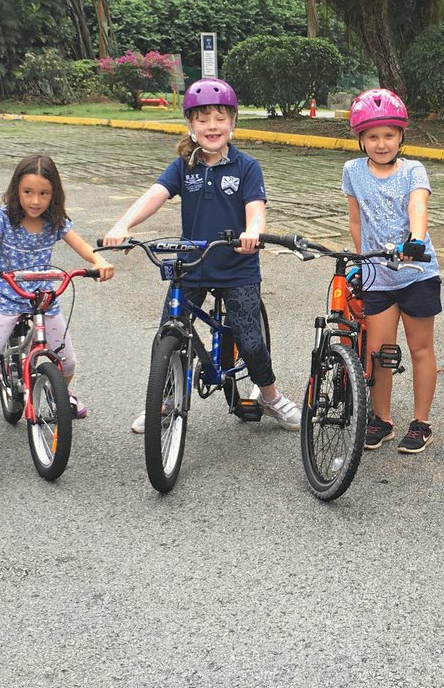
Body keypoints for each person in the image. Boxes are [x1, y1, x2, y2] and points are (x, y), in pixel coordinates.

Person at [102, 78, 302, 430]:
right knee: (167, 334)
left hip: (237, 266)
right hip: (191, 265)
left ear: (233, 122)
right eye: (203, 118)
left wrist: (252, 232)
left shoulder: (246, 167)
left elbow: (255, 209)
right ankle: (163, 402)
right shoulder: (183, 166)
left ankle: (270, 396)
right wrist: (122, 225)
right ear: (191, 126)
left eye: (220, 117)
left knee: (250, 341)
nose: (212, 125)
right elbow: (156, 195)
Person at [0, 154, 113, 427]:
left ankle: (62, 393)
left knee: (67, 362)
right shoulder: (3, 218)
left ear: (54, 194)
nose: (35, 201)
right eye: (28, 192)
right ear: (16, 191)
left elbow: (82, 246)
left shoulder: (55, 221)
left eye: (44, 193)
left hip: (43, 300)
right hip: (7, 299)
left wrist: (98, 261)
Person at [343, 88, 440, 454]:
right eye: (372, 136)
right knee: (380, 351)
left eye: (388, 135)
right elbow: (356, 221)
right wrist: (359, 261)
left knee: (419, 348)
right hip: (377, 275)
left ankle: (421, 422)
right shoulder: (352, 170)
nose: (381, 143)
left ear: (401, 135)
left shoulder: (413, 169)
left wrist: (415, 240)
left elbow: (419, 206)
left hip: (417, 273)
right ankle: (381, 419)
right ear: (361, 139)